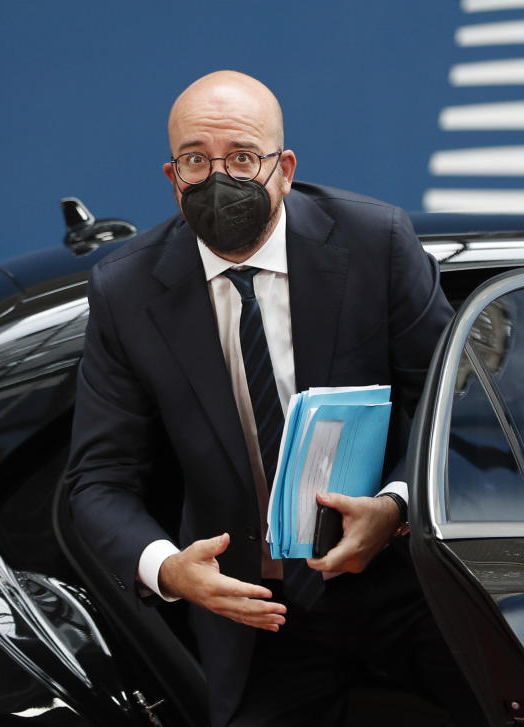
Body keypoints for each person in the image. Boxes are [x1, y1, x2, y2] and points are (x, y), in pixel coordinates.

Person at [64, 70, 483, 726]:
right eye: (196, 160)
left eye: (242, 157)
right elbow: (97, 481)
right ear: (173, 179)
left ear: (284, 168)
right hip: (253, 610)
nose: (219, 178)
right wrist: (172, 570)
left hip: (407, 581)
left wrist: (396, 506)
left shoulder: (375, 244)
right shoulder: (128, 292)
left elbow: (458, 411)